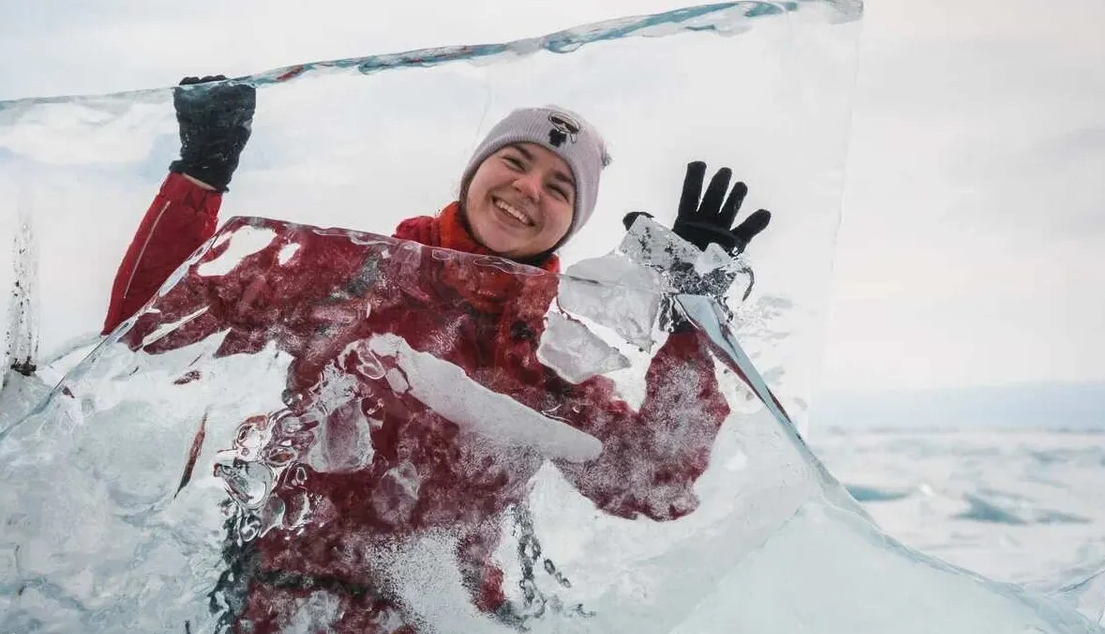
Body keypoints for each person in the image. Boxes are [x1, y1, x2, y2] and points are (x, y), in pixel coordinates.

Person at [103, 76, 772, 633]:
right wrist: (201, 174)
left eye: (558, 187)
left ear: (569, 221)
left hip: (442, 617)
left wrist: (690, 322)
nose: (528, 189)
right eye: (515, 161)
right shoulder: (352, 274)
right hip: (282, 608)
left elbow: (650, 485)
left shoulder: (549, 352)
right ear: (476, 172)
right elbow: (147, 324)